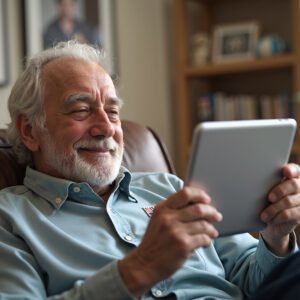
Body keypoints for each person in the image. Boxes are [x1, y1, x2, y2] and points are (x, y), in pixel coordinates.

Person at [0, 40, 300, 300]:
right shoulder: (10, 219)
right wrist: (140, 268)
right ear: (30, 131)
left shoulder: (168, 187)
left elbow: (253, 277)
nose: (106, 127)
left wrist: (276, 237)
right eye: (81, 109)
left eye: (113, 111)